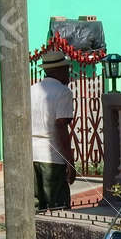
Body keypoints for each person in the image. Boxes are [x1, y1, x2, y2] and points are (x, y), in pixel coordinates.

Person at [30, 50, 75, 211]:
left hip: (31, 155)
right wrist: (69, 161)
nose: (69, 73)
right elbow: (61, 126)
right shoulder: (63, 92)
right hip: (52, 157)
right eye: (67, 69)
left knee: (35, 206)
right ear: (59, 70)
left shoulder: (31, 90)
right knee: (58, 207)